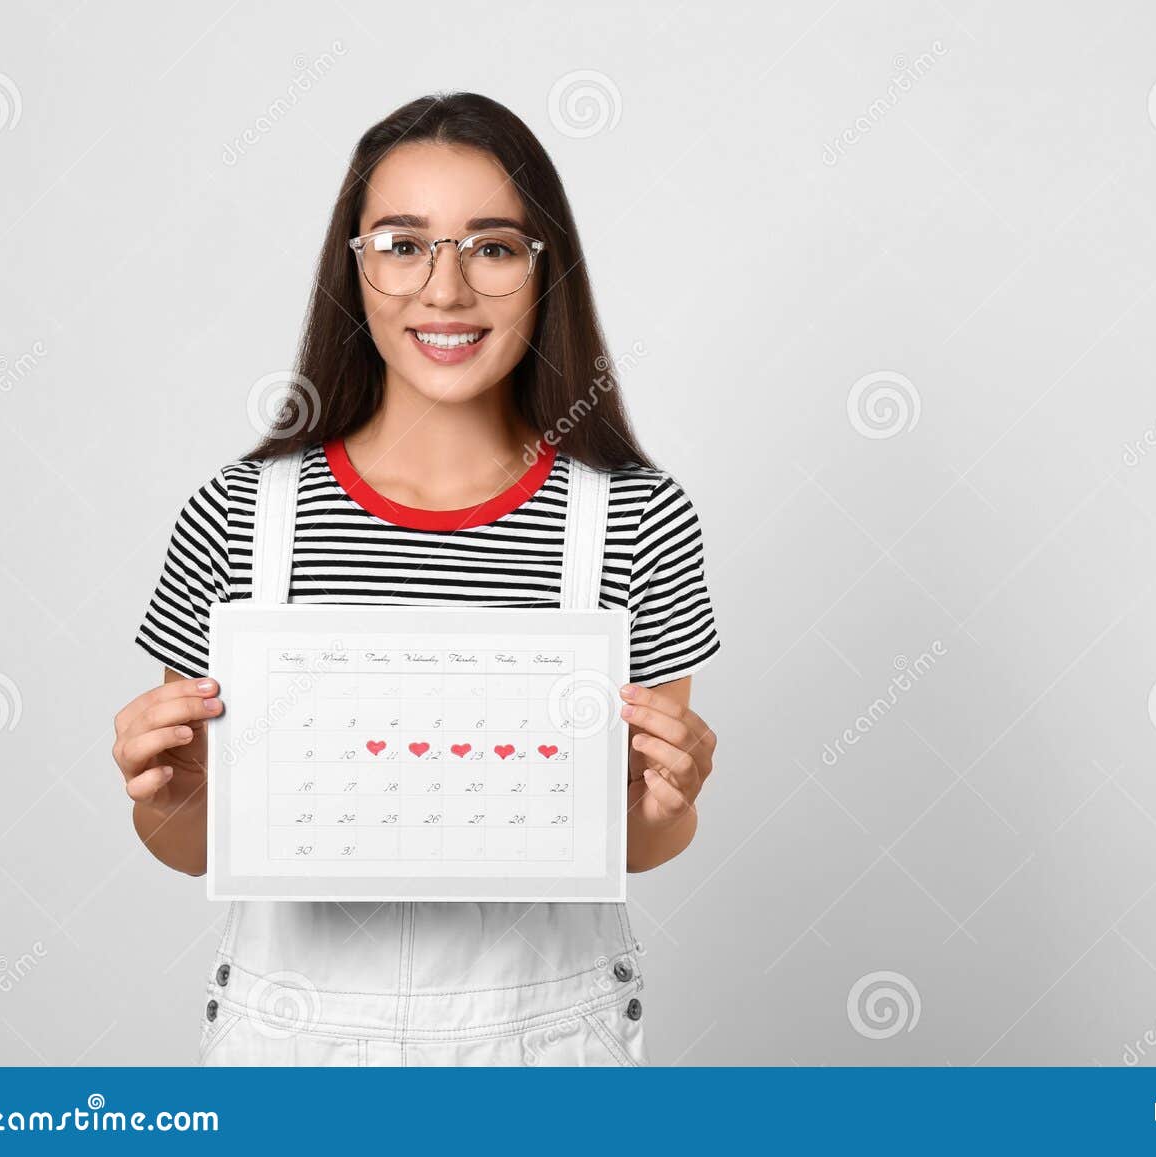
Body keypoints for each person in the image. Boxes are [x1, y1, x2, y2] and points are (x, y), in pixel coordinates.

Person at [111, 92, 721, 1065]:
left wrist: (666, 805)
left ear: (542, 270)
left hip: (545, 1043)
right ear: (352, 273)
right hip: (295, 1045)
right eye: (401, 244)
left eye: (491, 245)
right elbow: (187, 844)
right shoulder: (241, 513)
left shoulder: (634, 515)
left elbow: (636, 842)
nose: (444, 290)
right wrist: (174, 793)